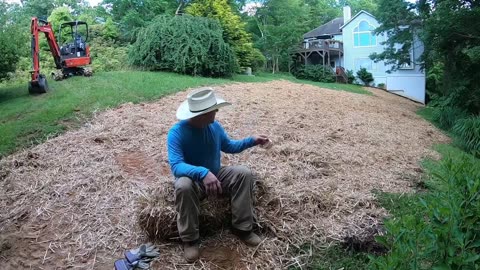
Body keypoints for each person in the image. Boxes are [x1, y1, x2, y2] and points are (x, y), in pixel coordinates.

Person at [166, 87, 270, 263]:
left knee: (243, 173)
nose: (216, 111)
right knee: (182, 185)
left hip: (216, 174)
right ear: (203, 113)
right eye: (213, 109)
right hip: (193, 180)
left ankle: (243, 228)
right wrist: (202, 172)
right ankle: (190, 239)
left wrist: (252, 140)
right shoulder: (176, 133)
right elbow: (176, 166)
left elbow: (229, 146)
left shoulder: (214, 127)